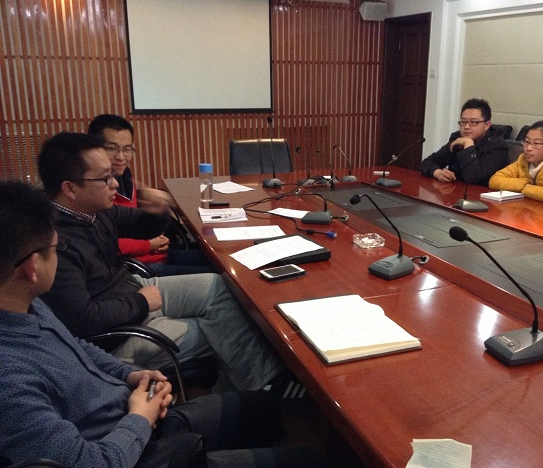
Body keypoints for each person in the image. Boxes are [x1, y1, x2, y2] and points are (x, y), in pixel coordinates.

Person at [0, 180, 324, 468]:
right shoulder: (10, 382)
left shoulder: (27, 304)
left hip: (133, 411)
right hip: (135, 444)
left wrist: (129, 375)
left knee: (265, 409)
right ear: (32, 267)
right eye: (56, 248)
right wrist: (140, 418)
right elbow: (91, 462)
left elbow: (77, 346)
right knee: (310, 459)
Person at [37, 132, 285, 392]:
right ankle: (264, 393)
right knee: (225, 331)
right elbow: (81, 319)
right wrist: (141, 302)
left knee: (219, 287)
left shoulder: (91, 211)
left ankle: (248, 390)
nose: (114, 184)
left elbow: (141, 226)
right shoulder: (55, 243)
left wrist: (156, 212)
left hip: (132, 291)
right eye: (104, 178)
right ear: (70, 188)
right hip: (119, 336)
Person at [88, 114, 216, 276]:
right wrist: (148, 244)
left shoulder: (124, 176)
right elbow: (103, 243)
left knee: (217, 261)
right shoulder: (94, 191)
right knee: (220, 277)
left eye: (127, 149)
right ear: (94, 148)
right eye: (112, 148)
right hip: (135, 267)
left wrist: (157, 214)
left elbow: (135, 223)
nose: (121, 157)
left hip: (156, 255)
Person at [420, 98, 509, 186]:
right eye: (463, 122)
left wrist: (468, 146)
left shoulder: (497, 146)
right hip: (456, 192)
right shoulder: (458, 138)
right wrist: (437, 173)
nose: (466, 126)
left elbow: (474, 178)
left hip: (482, 194)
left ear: (487, 125)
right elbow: (427, 163)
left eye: (473, 122)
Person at [488, 120, 543, 203]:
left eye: (536, 143)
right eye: (526, 142)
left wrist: (526, 188)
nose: (529, 148)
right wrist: (522, 184)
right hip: (530, 207)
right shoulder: (523, 160)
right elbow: (494, 181)